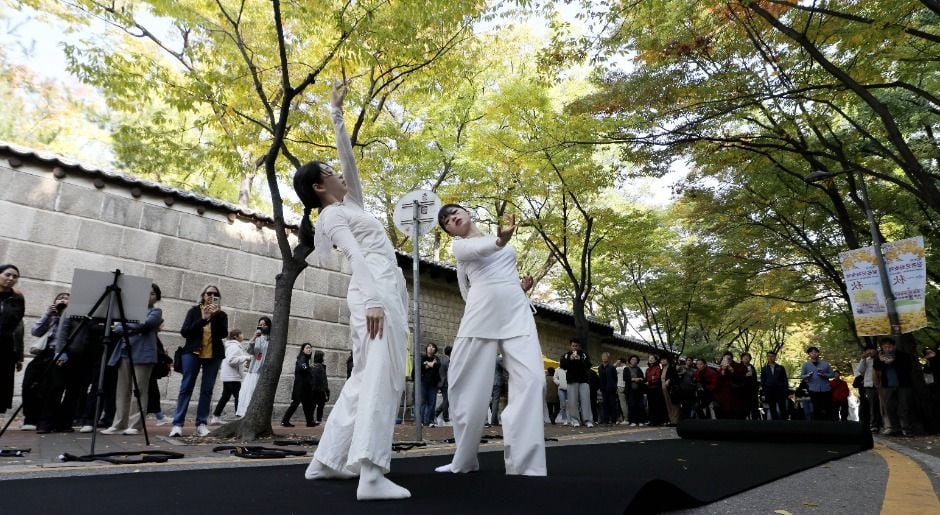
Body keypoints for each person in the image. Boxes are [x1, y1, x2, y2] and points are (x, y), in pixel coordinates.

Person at [296, 81, 411, 500]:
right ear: (319, 188)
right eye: (329, 173)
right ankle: (372, 474)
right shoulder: (331, 219)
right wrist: (377, 300)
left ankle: (325, 462)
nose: (339, 172)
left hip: (382, 294)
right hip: (373, 296)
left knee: (365, 379)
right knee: (380, 379)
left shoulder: (352, 205)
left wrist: (336, 114)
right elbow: (356, 260)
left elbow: (351, 163)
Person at [434, 202, 546, 476]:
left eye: (455, 211)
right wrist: (500, 239)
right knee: (464, 385)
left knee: (533, 380)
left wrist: (520, 287)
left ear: (467, 212)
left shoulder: (499, 240)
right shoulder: (459, 247)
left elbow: (500, 269)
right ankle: (465, 459)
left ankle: (525, 464)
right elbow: (483, 250)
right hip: (481, 313)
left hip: (516, 312)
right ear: (449, 231)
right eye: (446, 220)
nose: (452, 217)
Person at [102, 283, 163, 435]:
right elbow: (117, 327)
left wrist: (125, 326)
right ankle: (119, 423)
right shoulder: (130, 312)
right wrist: (127, 326)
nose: (148, 296)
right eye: (146, 293)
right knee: (122, 390)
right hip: (125, 351)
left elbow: (146, 324)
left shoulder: (156, 311)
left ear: (156, 298)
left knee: (140, 390)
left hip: (142, 353)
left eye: (152, 293)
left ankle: (135, 425)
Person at [170, 285, 228, 438]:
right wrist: (204, 319)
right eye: (209, 293)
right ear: (203, 295)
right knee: (186, 387)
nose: (211, 296)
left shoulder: (221, 315)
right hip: (192, 353)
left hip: (213, 355)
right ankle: (177, 424)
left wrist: (215, 316)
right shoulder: (194, 311)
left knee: (207, 389)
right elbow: (185, 332)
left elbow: (223, 333)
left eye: (215, 294)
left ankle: (201, 423)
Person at [22, 292, 69, 431]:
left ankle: (46, 420)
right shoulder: (51, 315)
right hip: (43, 353)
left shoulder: (70, 317)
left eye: (66, 299)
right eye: (60, 298)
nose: (63, 300)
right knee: (29, 384)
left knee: (52, 388)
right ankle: (30, 418)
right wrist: (48, 314)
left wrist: (64, 315)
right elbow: (35, 331)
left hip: (59, 354)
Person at [872, 337, 914, 436]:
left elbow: (907, 368)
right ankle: (896, 429)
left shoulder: (903, 356)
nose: (887, 349)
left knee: (904, 407)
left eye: (889, 347)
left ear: (894, 346)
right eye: (885, 347)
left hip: (903, 385)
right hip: (887, 386)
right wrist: (882, 361)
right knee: (890, 407)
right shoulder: (880, 357)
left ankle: (907, 429)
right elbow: (876, 368)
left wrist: (892, 362)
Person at [0, 264, 25, 418]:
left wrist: (19, 355)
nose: (11, 279)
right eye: (7, 275)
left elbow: (18, 327)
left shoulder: (18, 298)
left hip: (5, 349)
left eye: (15, 277)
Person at [210, 329, 250, 425]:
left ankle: (216, 416)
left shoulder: (234, 346)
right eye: (241, 334)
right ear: (235, 336)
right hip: (232, 376)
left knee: (226, 396)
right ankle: (239, 417)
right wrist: (245, 358)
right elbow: (231, 361)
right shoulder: (234, 347)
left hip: (230, 376)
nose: (243, 335)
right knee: (238, 396)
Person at [236, 316, 271, 417]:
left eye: (264, 325)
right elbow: (249, 351)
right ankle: (245, 413)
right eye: (260, 325)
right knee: (248, 392)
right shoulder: (257, 338)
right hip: (254, 369)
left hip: (264, 370)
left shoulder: (271, 340)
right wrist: (254, 337)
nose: (262, 327)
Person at [282, 343, 318, 428]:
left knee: (307, 405)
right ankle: (285, 421)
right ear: (303, 350)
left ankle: (309, 422)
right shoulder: (302, 358)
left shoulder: (306, 359)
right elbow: (303, 367)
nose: (309, 349)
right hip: (300, 387)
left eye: (310, 348)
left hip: (305, 387)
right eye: (307, 348)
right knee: (295, 404)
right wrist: (310, 368)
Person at [560, 339, 593, 428]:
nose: (575, 347)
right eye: (573, 346)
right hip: (571, 380)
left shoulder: (584, 354)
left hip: (583, 380)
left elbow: (589, 365)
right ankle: (575, 420)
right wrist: (570, 360)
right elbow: (562, 366)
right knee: (572, 401)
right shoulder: (566, 355)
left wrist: (580, 359)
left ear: (579, 346)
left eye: (576, 346)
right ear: (570, 346)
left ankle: (587, 420)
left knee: (585, 400)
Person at [854, 343, 882, 433]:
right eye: (867, 350)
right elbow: (860, 370)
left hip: (882, 385)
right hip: (870, 386)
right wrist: (863, 359)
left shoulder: (880, 358)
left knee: (883, 405)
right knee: (873, 406)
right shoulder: (866, 360)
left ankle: (884, 424)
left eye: (871, 349)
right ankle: (874, 425)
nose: (870, 352)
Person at [800, 346, 833, 421]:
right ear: (809, 354)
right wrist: (807, 376)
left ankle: (829, 426)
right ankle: (817, 427)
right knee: (816, 408)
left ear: (818, 353)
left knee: (827, 408)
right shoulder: (806, 364)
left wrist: (824, 375)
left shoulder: (825, 364)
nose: (814, 354)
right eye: (811, 352)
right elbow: (802, 376)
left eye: (815, 352)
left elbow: (832, 374)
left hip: (826, 389)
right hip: (813, 389)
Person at [760, 351, 789, 420]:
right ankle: (775, 423)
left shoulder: (780, 367)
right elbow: (763, 381)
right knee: (772, 407)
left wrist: (785, 390)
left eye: (772, 356)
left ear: (775, 357)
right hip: (769, 391)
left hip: (780, 390)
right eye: (769, 356)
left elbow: (785, 379)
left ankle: (784, 423)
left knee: (782, 407)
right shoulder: (764, 369)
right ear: (767, 357)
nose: (770, 357)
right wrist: (764, 391)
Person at [419, 342, 441, 427]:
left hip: (433, 383)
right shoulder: (422, 357)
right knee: (423, 402)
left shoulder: (437, 358)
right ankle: (421, 421)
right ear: (426, 348)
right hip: (423, 382)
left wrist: (426, 364)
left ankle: (430, 421)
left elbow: (437, 366)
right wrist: (431, 364)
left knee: (432, 402)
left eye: (433, 347)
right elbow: (420, 367)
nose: (431, 348)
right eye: (429, 346)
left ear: (435, 350)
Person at [624, 355, 646, 426]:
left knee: (640, 406)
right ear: (630, 360)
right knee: (631, 405)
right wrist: (633, 379)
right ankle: (632, 421)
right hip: (630, 391)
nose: (634, 361)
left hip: (638, 391)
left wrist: (640, 379)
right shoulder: (626, 369)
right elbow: (625, 378)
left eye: (636, 360)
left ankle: (641, 421)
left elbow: (643, 378)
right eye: (633, 359)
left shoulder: (638, 369)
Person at [645, 354, 667, 425]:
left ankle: (656, 421)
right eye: (649, 358)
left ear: (655, 360)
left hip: (656, 389)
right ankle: (651, 420)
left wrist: (650, 381)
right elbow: (647, 378)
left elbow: (657, 378)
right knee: (650, 405)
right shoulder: (648, 369)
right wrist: (649, 380)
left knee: (656, 405)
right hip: (649, 389)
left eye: (652, 358)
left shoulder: (657, 368)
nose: (651, 359)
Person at [598, 352, 618, 425]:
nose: (604, 358)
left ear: (608, 358)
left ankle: (614, 420)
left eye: (605, 356)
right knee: (605, 404)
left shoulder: (612, 367)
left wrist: (614, 386)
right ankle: (606, 420)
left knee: (612, 404)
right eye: (603, 356)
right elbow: (600, 378)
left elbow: (615, 378)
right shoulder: (600, 368)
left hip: (611, 388)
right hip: (603, 389)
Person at [660, 355, 681, 426]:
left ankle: (675, 421)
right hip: (664, 389)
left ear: (668, 360)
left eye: (664, 359)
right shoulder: (662, 368)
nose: (662, 361)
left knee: (674, 404)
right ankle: (671, 420)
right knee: (668, 404)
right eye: (661, 360)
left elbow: (675, 378)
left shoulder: (671, 368)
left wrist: (669, 380)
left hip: (671, 389)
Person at [310, 350, 330, 424]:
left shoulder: (317, 366)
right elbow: (323, 380)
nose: (323, 358)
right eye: (322, 357)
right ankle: (316, 420)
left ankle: (314, 420)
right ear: (320, 357)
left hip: (317, 390)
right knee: (319, 406)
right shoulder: (318, 367)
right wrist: (326, 391)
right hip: (318, 390)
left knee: (316, 405)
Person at [435, 345, 452, 426]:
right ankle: (445, 417)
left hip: (440, 382)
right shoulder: (448, 360)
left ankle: (436, 413)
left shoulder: (441, 358)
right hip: (445, 382)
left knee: (446, 400)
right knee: (447, 400)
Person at [741, 352, 760, 420]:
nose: (746, 358)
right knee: (743, 409)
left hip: (751, 391)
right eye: (744, 357)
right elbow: (736, 378)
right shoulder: (738, 366)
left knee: (753, 408)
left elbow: (755, 379)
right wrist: (745, 375)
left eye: (748, 357)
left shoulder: (752, 367)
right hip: (742, 391)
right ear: (742, 358)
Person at [615, 357, 627, 424]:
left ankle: (626, 419)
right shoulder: (627, 368)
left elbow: (612, 369)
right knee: (626, 403)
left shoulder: (619, 368)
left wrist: (616, 363)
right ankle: (627, 418)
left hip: (620, 387)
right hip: (626, 387)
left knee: (623, 404)